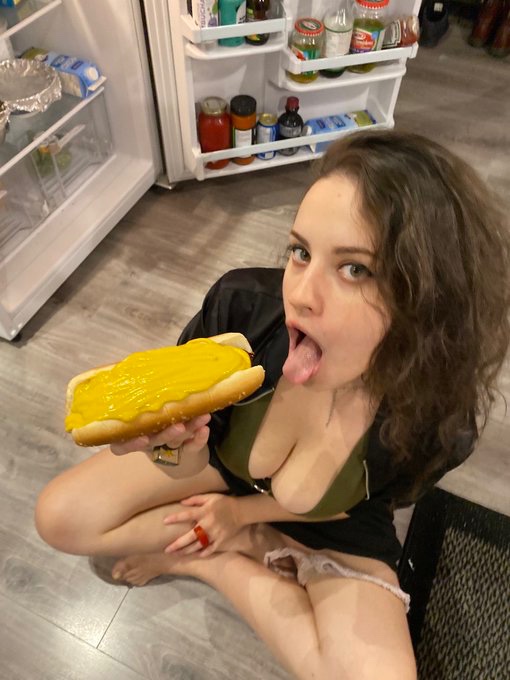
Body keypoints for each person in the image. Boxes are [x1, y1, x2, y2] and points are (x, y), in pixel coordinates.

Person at [35, 130, 510, 680]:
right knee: (59, 518)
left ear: (428, 299)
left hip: (332, 518)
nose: (301, 294)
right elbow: (192, 451)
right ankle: (225, 550)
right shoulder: (242, 313)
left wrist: (241, 519)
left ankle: (216, 562)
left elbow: (364, 503)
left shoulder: (440, 421)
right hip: (223, 470)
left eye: (355, 269)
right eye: (301, 252)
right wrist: (173, 448)